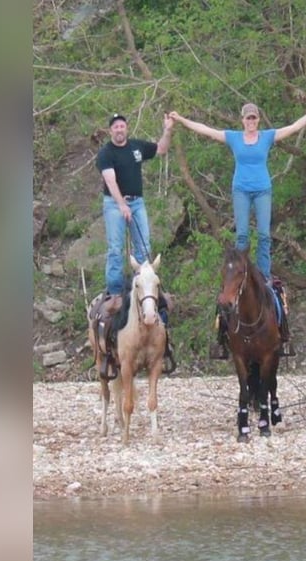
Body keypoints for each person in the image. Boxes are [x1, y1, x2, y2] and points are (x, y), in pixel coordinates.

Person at [169, 100, 306, 358]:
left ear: (258, 120)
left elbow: (294, 127)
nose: (251, 122)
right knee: (242, 235)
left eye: (254, 118)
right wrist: (182, 119)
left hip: (263, 189)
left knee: (263, 235)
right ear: (242, 120)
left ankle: (262, 275)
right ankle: (239, 276)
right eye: (248, 118)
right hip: (241, 189)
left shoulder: (266, 137)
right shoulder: (234, 138)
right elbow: (206, 130)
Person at [94, 112, 176, 375]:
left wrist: (167, 130)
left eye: (122, 126)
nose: (119, 130)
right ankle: (116, 293)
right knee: (116, 249)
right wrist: (121, 204)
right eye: (115, 127)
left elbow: (162, 150)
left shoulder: (137, 147)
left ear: (127, 128)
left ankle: (148, 293)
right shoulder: (106, 153)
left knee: (144, 251)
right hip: (115, 202)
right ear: (110, 131)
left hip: (137, 201)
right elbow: (110, 180)